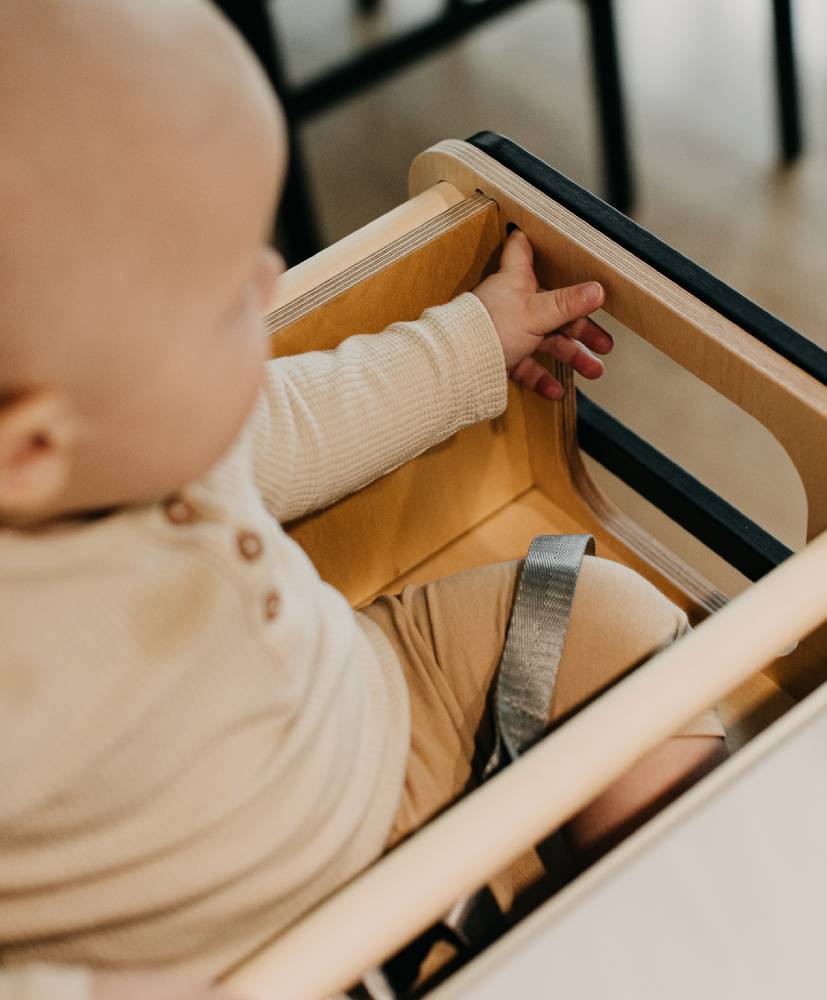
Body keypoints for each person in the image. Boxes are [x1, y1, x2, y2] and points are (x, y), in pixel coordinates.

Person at [0, 1, 725, 997]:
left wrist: (477, 335)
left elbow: (305, 420)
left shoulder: (136, 431)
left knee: (615, 622)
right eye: (221, 302)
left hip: (383, 717)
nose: (269, 284)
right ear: (32, 447)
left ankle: (683, 922)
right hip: (229, 955)